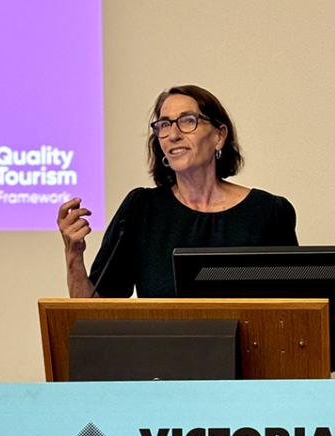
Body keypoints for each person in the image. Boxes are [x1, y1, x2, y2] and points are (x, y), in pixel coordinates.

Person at [57, 85, 298, 298]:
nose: (173, 135)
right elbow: (95, 313)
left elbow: (293, 310)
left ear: (219, 136)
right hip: (159, 339)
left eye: (187, 121)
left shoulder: (268, 212)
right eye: (164, 125)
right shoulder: (141, 209)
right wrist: (73, 256)